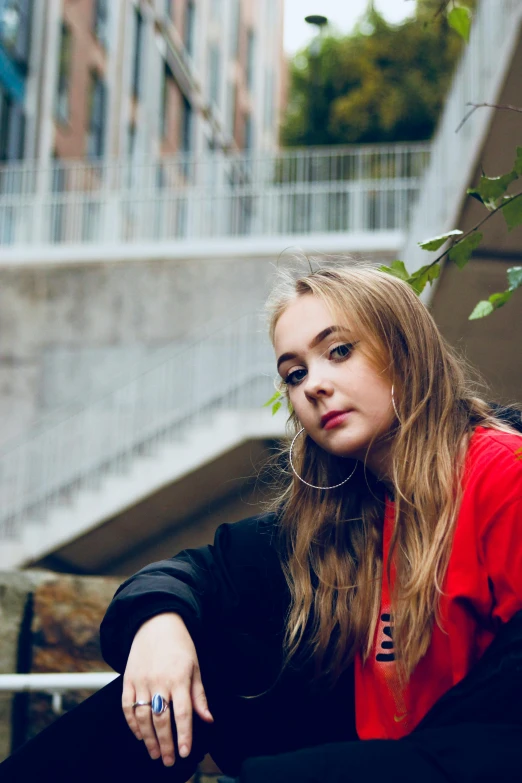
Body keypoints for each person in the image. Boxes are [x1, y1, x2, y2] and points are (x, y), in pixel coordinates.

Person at [1, 263, 522, 783]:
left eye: (339, 351)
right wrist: (159, 627)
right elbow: (195, 573)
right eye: (294, 374)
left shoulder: (502, 472)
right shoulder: (338, 514)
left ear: (406, 350)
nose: (314, 385)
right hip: (370, 749)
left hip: (469, 761)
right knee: (204, 660)